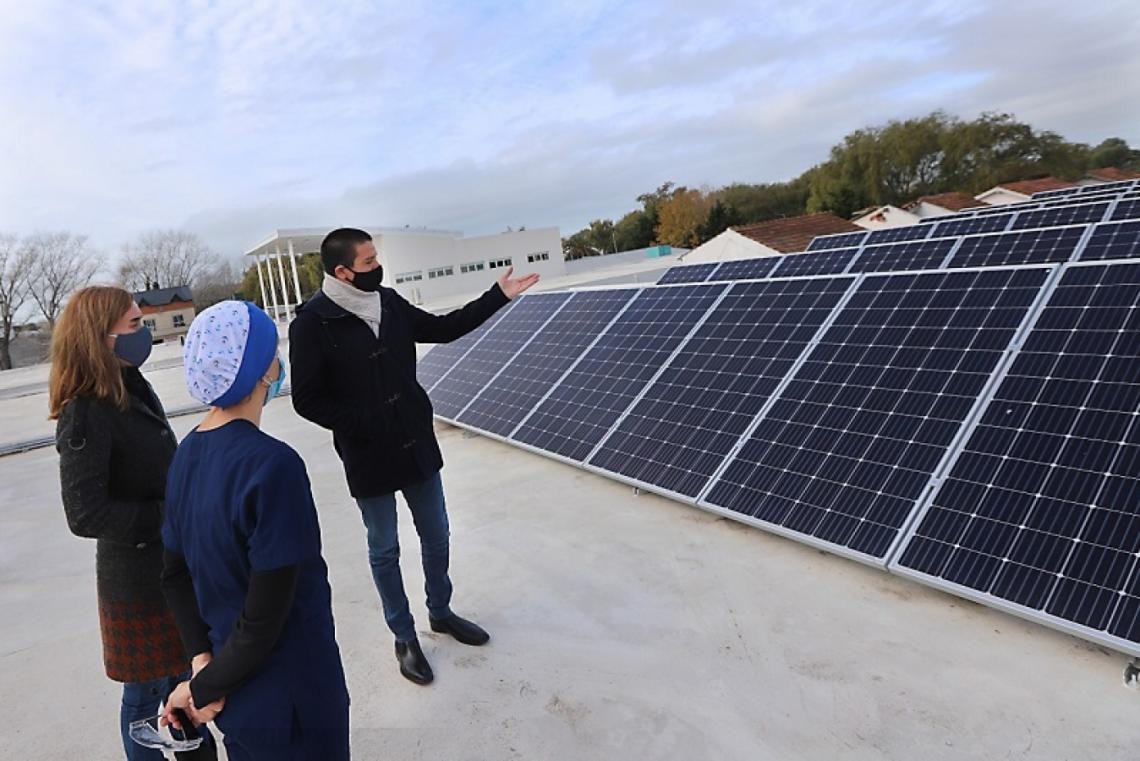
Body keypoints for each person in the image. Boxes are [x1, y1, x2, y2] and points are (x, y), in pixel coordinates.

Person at [289, 227, 539, 685]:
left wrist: (497, 296)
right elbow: (306, 399)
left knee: (437, 533)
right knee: (385, 548)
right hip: (368, 454)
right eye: (368, 262)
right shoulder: (312, 323)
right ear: (342, 271)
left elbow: (443, 329)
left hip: (415, 442)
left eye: (375, 258)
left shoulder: (388, 302)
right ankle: (403, 636)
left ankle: (440, 611)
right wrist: (365, 423)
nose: (377, 267)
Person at [160, 300, 349, 760]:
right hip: (294, 699)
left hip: (236, 695)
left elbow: (174, 574)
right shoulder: (273, 465)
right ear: (264, 372)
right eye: (272, 353)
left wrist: (202, 663)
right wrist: (201, 688)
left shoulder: (187, 453)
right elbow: (267, 616)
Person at [50, 286, 216, 760]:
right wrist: (170, 516)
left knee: (179, 682)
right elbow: (85, 512)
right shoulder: (85, 411)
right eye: (135, 325)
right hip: (137, 582)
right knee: (145, 698)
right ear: (101, 337)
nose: (145, 333)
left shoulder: (129, 383)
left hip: (168, 570)